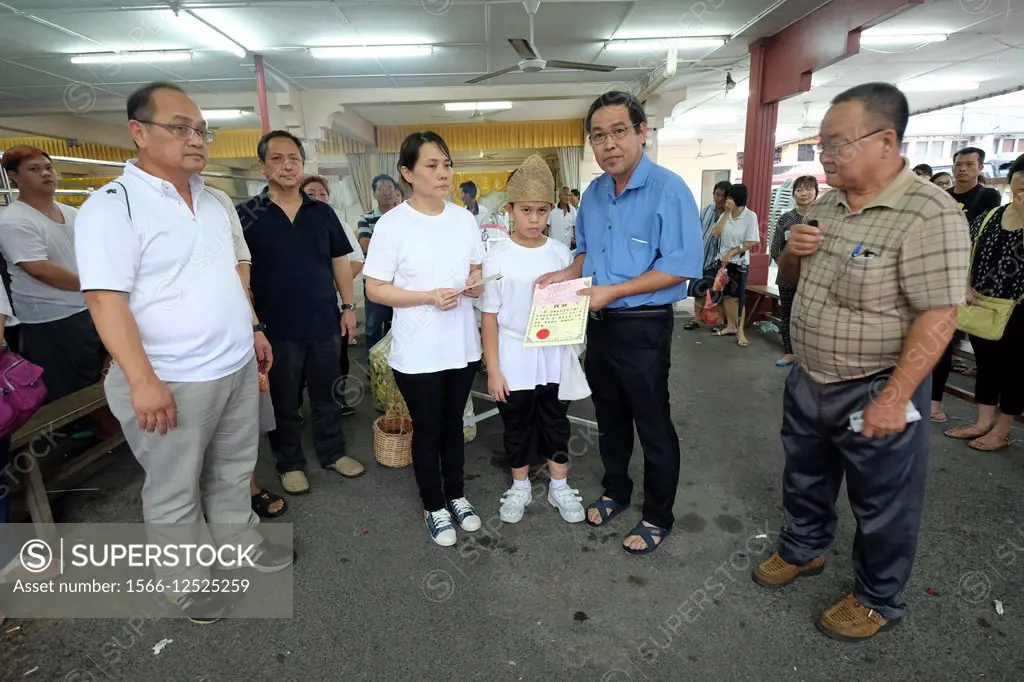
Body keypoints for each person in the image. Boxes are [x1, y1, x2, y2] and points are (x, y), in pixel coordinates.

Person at [752, 83, 969, 641]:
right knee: (805, 475)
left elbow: (939, 315)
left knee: (884, 501)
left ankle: (878, 597)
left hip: (875, 385)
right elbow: (792, 283)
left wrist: (896, 397)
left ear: (886, 140)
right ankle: (805, 550)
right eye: (821, 144)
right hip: (810, 377)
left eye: (837, 144)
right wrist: (789, 256)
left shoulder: (929, 213)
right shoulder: (826, 204)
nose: (825, 156)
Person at [75, 82, 292, 624]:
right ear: (139, 132)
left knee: (235, 464)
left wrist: (254, 327)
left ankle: (238, 540)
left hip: (235, 362)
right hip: (168, 376)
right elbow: (105, 300)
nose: (196, 139)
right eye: (180, 127)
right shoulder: (112, 206)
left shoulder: (215, 199)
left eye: (202, 130)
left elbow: (232, 274)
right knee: (173, 487)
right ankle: (185, 582)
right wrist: (142, 380)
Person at [537, 91, 702, 554]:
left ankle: (657, 515)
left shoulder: (669, 189)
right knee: (608, 418)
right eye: (598, 136)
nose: (608, 144)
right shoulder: (592, 193)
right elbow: (587, 253)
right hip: (599, 322)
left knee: (652, 422)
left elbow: (682, 265)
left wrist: (616, 291)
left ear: (641, 133)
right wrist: (563, 275)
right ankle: (616, 489)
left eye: (618, 132)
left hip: (645, 326)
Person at [363, 131, 485, 546]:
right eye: (431, 165)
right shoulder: (392, 225)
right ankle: (434, 504)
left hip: (462, 345)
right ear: (407, 173)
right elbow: (375, 289)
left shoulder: (464, 219)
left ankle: (457, 495)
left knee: (454, 425)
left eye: (447, 164)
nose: (443, 173)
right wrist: (427, 297)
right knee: (429, 428)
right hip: (417, 352)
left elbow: (475, 272)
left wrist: (474, 284)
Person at [237, 132, 361, 496]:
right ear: (262, 166)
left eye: (293, 158)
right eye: (277, 159)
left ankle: (333, 452)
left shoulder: (321, 212)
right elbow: (238, 272)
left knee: (327, 394)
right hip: (276, 328)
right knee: (284, 400)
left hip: (323, 322)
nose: (287, 165)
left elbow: (340, 260)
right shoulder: (247, 215)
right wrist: (254, 324)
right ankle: (289, 463)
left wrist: (348, 307)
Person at [480, 154, 584, 525]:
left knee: (556, 419)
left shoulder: (560, 253)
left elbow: (571, 306)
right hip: (512, 351)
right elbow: (489, 318)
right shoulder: (496, 256)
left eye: (542, 210)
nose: (535, 219)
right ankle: (520, 485)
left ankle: (559, 486)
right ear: (510, 209)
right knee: (517, 421)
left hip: (553, 350)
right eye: (526, 210)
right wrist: (493, 370)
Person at [0, 146, 110, 406]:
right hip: (51, 320)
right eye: (34, 169)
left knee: (96, 373)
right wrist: (96, 285)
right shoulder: (14, 221)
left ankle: (103, 430)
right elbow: (39, 268)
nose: (46, 174)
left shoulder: (72, 214)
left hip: (86, 307)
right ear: (14, 177)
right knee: (68, 385)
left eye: (48, 168)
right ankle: (78, 437)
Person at [942, 154, 1024, 451]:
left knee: (1016, 370)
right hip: (982, 303)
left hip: (1019, 310)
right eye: (1020, 175)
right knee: (987, 364)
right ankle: (982, 421)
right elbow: (962, 250)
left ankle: (1002, 431)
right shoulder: (991, 216)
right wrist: (963, 283)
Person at [929, 148, 1003, 422]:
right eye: (958, 164)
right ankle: (934, 403)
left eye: (969, 165)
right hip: (942, 276)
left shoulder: (988, 196)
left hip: (977, 281)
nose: (962, 169)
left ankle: (985, 418)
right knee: (941, 345)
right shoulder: (942, 197)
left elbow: (981, 241)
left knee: (986, 352)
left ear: (980, 168)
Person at [301, 174, 364, 417]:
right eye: (310, 194)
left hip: (334, 304)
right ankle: (296, 403)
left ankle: (339, 400)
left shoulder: (339, 223)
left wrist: (334, 286)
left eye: (322, 194)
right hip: (299, 307)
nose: (318, 198)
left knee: (338, 356)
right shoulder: (291, 222)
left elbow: (356, 260)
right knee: (297, 360)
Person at [769, 175, 819, 366]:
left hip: (815, 278)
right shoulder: (786, 219)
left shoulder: (822, 218)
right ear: (793, 194)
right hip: (788, 278)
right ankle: (789, 352)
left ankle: (808, 355)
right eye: (799, 190)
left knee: (811, 316)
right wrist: (788, 267)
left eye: (808, 189)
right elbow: (775, 248)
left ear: (816, 192)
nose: (804, 193)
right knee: (788, 314)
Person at [710, 183, 759, 348]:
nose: (727, 200)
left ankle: (741, 332)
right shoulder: (726, 214)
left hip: (739, 263)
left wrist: (732, 253)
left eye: (730, 197)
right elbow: (715, 233)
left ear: (738, 199)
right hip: (723, 263)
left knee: (738, 299)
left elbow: (751, 241)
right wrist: (727, 212)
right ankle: (730, 326)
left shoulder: (750, 216)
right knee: (727, 297)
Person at [358, 174, 399, 362]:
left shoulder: (404, 217)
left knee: (397, 325)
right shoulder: (366, 218)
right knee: (373, 327)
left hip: (400, 284)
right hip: (375, 283)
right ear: (374, 193)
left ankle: (394, 367)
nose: (387, 193)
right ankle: (374, 367)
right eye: (382, 189)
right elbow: (365, 245)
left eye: (390, 188)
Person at [684, 180, 730, 331]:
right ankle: (697, 319)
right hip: (702, 258)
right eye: (717, 195)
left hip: (718, 260)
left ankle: (720, 322)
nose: (719, 199)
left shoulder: (730, 215)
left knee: (718, 293)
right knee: (699, 290)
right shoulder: (705, 210)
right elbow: (697, 232)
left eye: (723, 196)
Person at [546, 185, 577, 250]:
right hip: (553, 247)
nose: (568, 197)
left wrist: (575, 239)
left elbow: (575, 226)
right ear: (559, 196)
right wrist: (546, 242)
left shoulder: (572, 210)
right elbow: (546, 226)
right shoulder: (552, 209)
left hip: (567, 247)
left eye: (569, 195)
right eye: (565, 195)